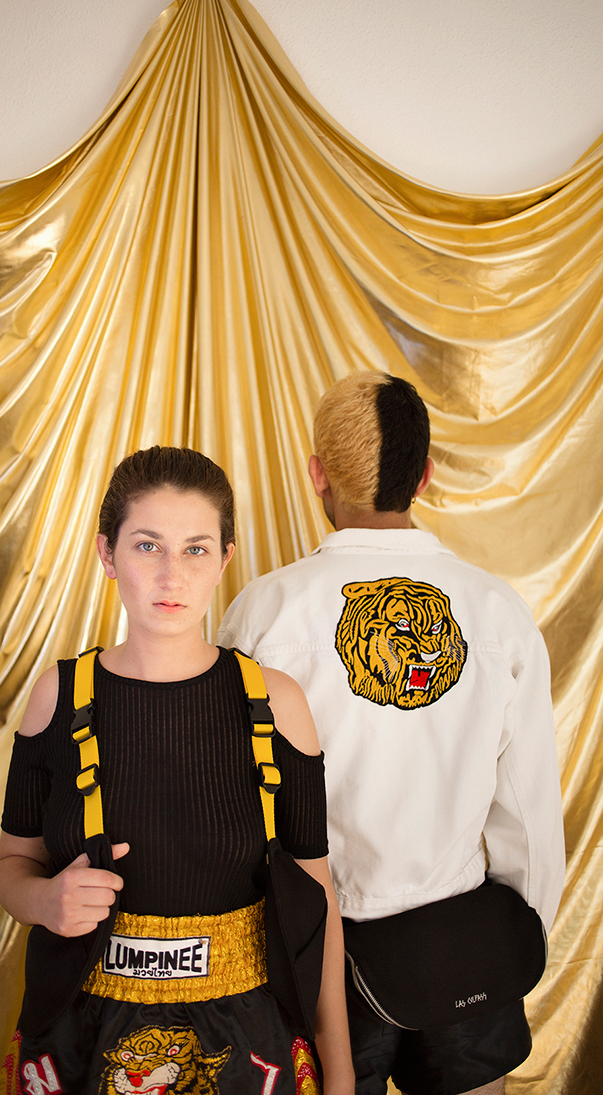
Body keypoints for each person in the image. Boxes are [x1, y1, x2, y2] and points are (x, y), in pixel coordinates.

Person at [218, 373, 566, 1095]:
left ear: (318, 474)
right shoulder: (497, 611)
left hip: (320, 957)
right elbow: (529, 815)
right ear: (426, 475)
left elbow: (235, 808)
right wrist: (513, 938)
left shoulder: (264, 614)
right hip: (466, 943)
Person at [0, 446, 354, 1095]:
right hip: (80, 1039)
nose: (172, 575)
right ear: (107, 553)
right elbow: (11, 864)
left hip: (249, 1042)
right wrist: (44, 900)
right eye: (147, 546)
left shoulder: (278, 705)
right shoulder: (57, 696)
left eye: (195, 549)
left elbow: (316, 896)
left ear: (224, 558)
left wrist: (342, 1068)